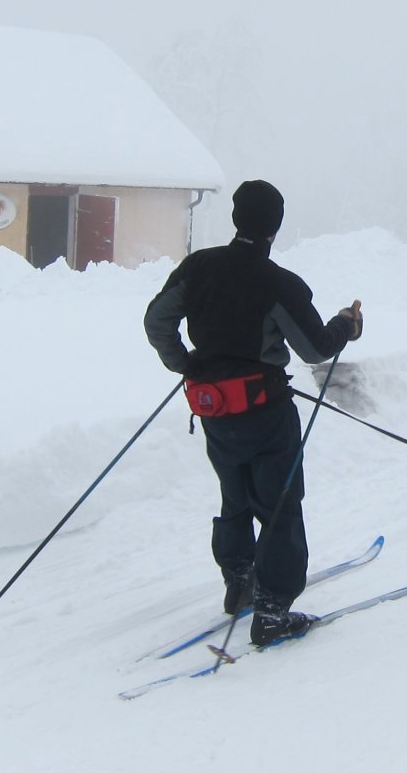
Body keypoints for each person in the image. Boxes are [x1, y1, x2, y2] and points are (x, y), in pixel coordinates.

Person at [143, 180, 362, 646]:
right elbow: (314, 349)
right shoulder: (278, 283)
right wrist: (346, 325)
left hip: (213, 409)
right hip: (266, 412)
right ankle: (272, 610)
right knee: (278, 504)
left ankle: (239, 584)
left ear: (237, 218)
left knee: (234, 495)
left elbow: (156, 320)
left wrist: (185, 363)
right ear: (275, 227)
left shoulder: (198, 267)